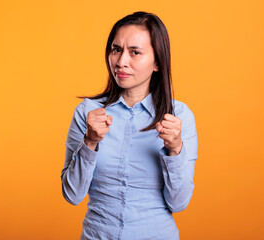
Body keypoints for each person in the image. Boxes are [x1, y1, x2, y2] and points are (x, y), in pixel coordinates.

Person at [61, 11, 198, 240]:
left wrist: (175, 149)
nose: (121, 61)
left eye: (135, 52)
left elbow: (179, 203)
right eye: (116, 50)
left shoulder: (179, 117)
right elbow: (72, 195)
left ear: (158, 63)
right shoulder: (88, 112)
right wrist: (90, 142)